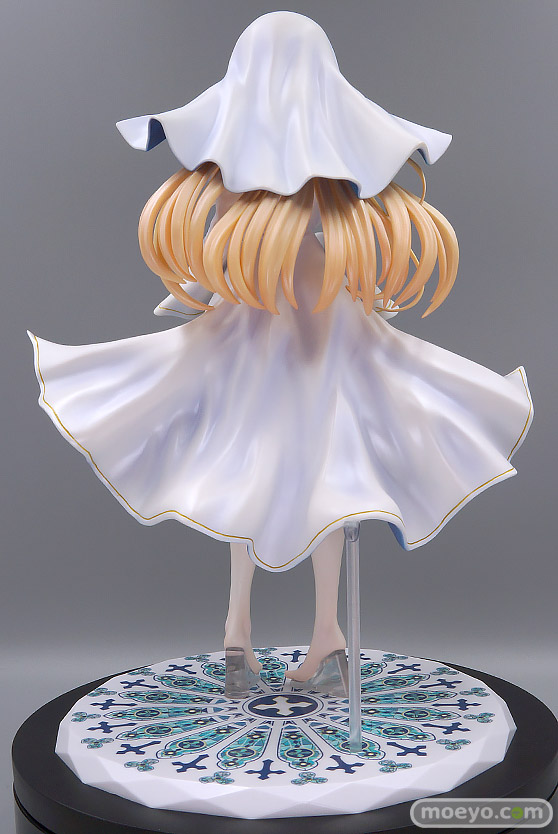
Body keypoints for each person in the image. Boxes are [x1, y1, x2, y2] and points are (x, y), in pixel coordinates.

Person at [29, 11, 532, 697]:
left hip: (282, 318)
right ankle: (317, 635)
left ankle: (247, 629)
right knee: (318, 476)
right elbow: (265, 252)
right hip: (299, 318)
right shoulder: (316, 191)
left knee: (263, 471)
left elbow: (237, 250)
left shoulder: (257, 182)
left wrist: (209, 290)